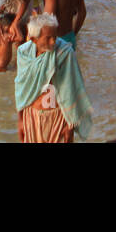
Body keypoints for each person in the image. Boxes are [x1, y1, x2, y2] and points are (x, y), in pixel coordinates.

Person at [15, 12, 93, 143]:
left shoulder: (65, 53)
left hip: (58, 117)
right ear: (35, 39)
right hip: (32, 115)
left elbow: (71, 88)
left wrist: (70, 125)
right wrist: (21, 121)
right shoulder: (23, 53)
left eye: (55, 37)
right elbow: (21, 90)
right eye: (48, 38)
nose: (53, 42)